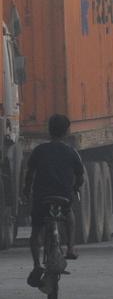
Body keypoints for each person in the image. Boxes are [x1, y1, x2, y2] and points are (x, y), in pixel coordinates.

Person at [22, 114, 84, 289]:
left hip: (42, 198)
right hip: (64, 197)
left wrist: (27, 191)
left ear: (49, 131)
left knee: (36, 231)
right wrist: (75, 187)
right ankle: (70, 248)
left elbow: (30, 174)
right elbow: (80, 176)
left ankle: (36, 264)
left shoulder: (39, 151)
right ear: (66, 132)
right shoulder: (72, 152)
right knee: (69, 214)